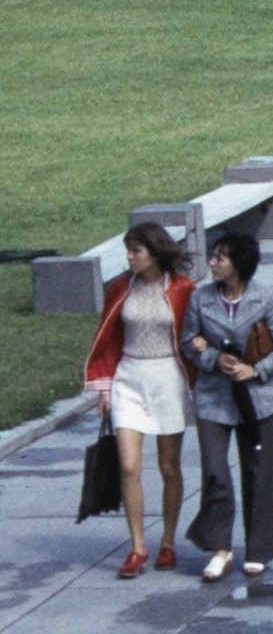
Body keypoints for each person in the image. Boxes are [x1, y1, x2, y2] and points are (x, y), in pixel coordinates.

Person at [182, 231, 273, 586]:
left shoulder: (266, 299)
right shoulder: (201, 299)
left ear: (239, 265)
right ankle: (220, 548)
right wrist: (213, 357)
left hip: (257, 401)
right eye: (213, 256)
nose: (213, 263)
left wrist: (254, 370)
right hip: (214, 398)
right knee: (215, 470)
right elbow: (188, 341)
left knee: (260, 473)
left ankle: (258, 550)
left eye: (220, 257)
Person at [84, 223, 194, 578]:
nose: (129, 258)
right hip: (128, 379)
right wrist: (104, 388)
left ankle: (168, 542)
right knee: (129, 466)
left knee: (168, 466)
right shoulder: (120, 288)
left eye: (136, 251)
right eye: (127, 251)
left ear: (155, 252)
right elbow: (109, 340)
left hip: (167, 379)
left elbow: (193, 338)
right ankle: (137, 548)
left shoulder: (182, 288)